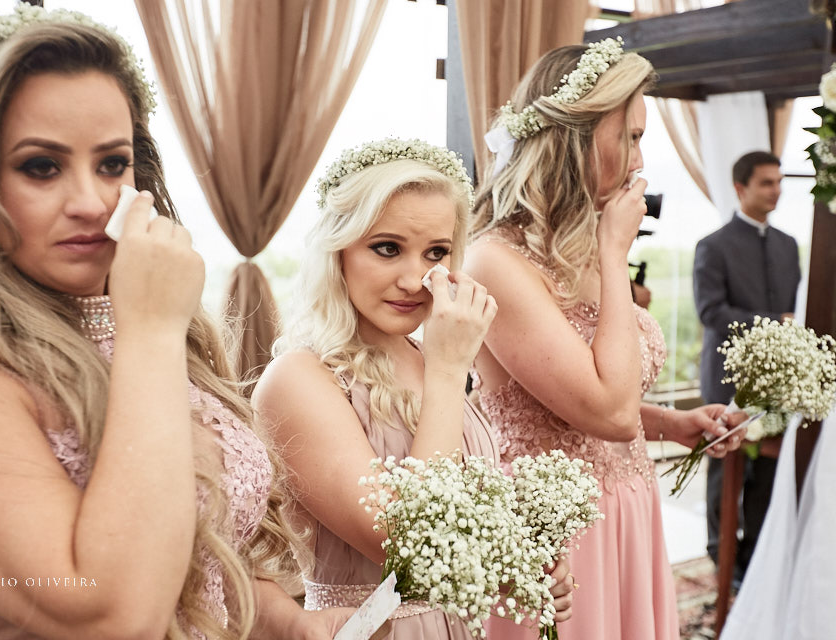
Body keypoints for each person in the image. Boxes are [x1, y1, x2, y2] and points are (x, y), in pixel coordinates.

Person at [0, 7, 349, 639]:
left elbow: (190, 557)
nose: (93, 203)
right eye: (41, 166)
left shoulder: (142, 334)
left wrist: (287, 621)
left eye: (111, 164)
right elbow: (113, 617)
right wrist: (151, 330)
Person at [464, 38, 748, 640]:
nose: (642, 161)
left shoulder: (579, 244)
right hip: (557, 532)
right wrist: (615, 255)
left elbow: (582, 398)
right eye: (635, 136)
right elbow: (608, 410)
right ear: (578, 136)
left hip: (625, 504)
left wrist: (672, 423)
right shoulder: (495, 260)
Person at [251, 139, 574, 639]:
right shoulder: (298, 379)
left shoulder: (433, 358)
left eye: (436, 253)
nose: (413, 279)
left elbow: (462, 537)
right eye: (387, 248)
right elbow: (410, 546)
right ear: (338, 248)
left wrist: (520, 567)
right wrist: (449, 369)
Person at [693, 150, 800, 584]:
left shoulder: (788, 245)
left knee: (768, 472)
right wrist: (774, 324)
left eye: (778, 181)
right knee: (725, 470)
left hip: (778, 383)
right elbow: (711, 313)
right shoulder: (712, 246)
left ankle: (756, 559)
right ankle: (723, 560)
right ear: (741, 188)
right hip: (727, 381)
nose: (776, 190)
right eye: (766, 183)